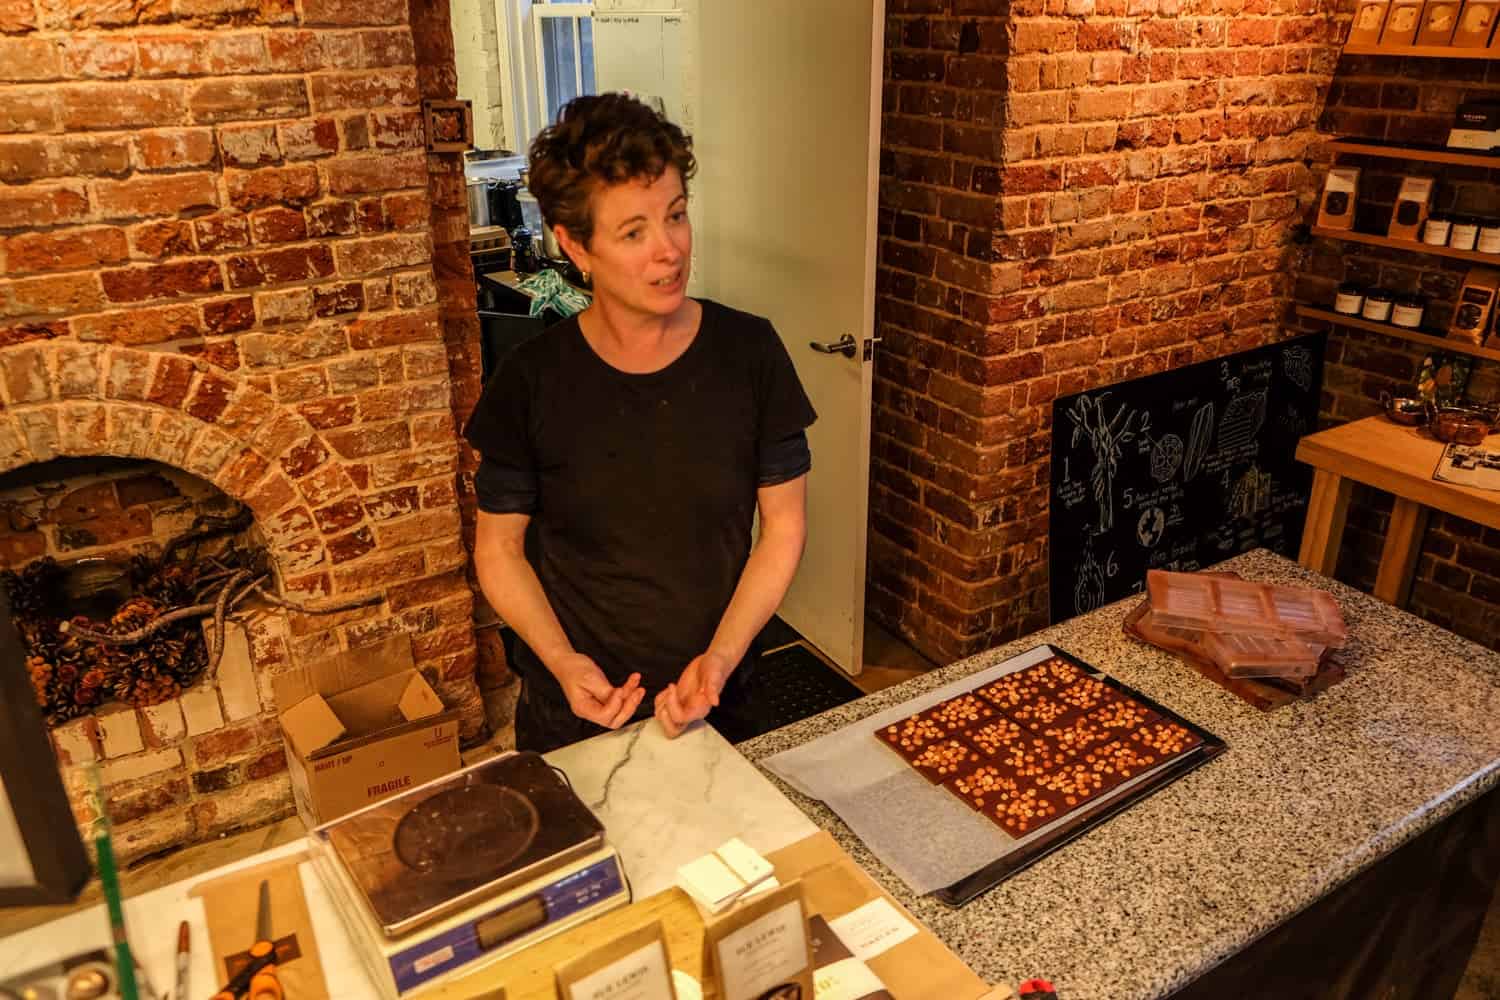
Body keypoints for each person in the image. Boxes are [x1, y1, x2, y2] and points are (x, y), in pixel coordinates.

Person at [465, 94, 817, 754]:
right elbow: (499, 550)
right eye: (634, 232)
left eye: (676, 216)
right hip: (578, 709)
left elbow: (784, 527)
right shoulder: (531, 381)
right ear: (574, 245)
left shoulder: (751, 354)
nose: (670, 250)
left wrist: (721, 658)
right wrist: (562, 662)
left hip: (719, 695)